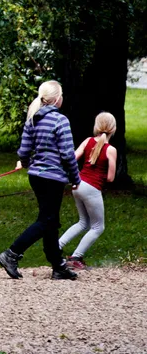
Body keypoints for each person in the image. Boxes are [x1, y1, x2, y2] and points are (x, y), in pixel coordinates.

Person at [0, 80, 80, 280]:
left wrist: (24, 162)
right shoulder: (61, 121)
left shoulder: (32, 119)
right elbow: (68, 155)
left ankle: (58, 265)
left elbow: (24, 150)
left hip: (36, 177)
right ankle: (12, 254)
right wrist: (75, 178)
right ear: (57, 99)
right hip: (53, 178)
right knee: (46, 220)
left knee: (50, 221)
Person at [58, 112, 117, 270]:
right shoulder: (110, 149)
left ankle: (56, 247)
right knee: (98, 227)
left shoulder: (88, 141)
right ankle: (76, 257)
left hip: (77, 185)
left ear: (96, 126)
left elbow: (72, 157)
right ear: (113, 129)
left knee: (83, 222)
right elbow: (110, 178)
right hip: (91, 188)